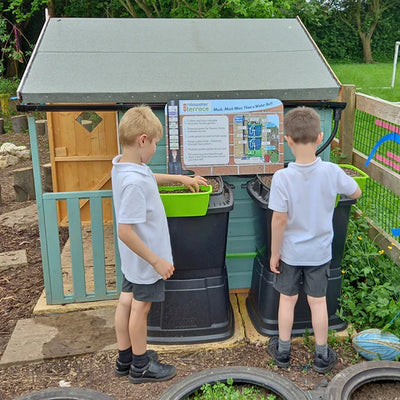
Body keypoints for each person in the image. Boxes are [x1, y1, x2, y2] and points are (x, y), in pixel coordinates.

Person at [111, 105, 207, 383]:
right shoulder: (133, 183)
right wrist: (156, 260)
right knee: (141, 308)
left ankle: (124, 358)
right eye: (154, 143)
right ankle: (141, 366)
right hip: (145, 259)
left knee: (126, 302)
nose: (155, 148)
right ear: (142, 139)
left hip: (133, 262)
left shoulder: (123, 165)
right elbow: (125, 231)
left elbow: (149, 177)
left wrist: (179, 178)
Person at [267, 106, 362, 374]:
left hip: (290, 254)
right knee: (318, 302)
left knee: (287, 299)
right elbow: (356, 192)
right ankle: (322, 356)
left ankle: (283, 352)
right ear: (321, 137)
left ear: (288, 140)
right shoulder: (331, 172)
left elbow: (279, 220)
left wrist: (275, 253)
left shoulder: (282, 177)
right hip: (320, 253)